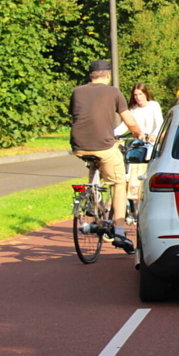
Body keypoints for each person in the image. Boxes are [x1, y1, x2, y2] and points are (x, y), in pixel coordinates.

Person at [70, 60, 146, 253]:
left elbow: (76, 116)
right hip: (103, 145)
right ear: (107, 75)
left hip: (78, 145)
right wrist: (139, 133)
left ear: (90, 76)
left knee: (93, 161)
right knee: (119, 182)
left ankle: (92, 198)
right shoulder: (113, 92)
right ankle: (119, 231)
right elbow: (129, 120)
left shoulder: (77, 91)